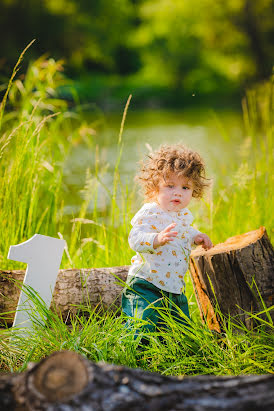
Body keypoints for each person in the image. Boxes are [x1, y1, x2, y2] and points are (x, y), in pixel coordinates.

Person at [121, 144, 213, 342]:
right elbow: (134, 239)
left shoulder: (183, 215)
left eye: (185, 187)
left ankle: (182, 350)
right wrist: (156, 239)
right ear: (155, 188)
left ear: (194, 191)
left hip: (174, 287)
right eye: (170, 186)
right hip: (147, 284)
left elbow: (186, 233)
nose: (177, 193)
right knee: (143, 325)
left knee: (182, 330)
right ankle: (135, 355)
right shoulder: (150, 212)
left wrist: (197, 237)